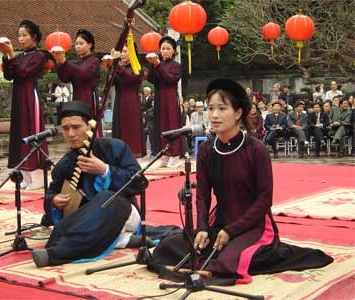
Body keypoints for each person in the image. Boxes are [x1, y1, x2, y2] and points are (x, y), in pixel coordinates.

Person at [150, 79, 333, 285]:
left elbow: (264, 200)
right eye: (211, 108)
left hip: (252, 225)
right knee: (168, 247)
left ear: (238, 113)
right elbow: (202, 194)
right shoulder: (206, 150)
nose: (214, 115)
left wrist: (232, 230)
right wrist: (202, 227)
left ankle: (265, 252)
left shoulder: (256, 150)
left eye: (222, 108)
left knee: (230, 260)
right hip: (219, 222)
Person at [33, 101, 151, 267]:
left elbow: (139, 183)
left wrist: (105, 170)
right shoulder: (65, 164)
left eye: (76, 127)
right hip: (88, 222)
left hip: (124, 212)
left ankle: (56, 254)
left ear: (89, 127)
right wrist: (54, 200)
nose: (71, 134)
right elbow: (51, 193)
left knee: (107, 198)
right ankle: (120, 240)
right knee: (70, 225)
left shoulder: (115, 147)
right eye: (65, 129)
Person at [0, 20, 48, 190]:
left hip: (29, 96)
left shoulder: (39, 56)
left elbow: (23, 73)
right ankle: (26, 175)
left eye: (24, 35)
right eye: (19, 35)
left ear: (34, 37)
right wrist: (6, 55)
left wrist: (11, 54)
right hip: (18, 97)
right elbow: (9, 75)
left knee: (31, 131)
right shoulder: (20, 56)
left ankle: (37, 177)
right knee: (19, 134)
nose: (20, 39)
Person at [146, 36, 182, 168]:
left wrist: (158, 65)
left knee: (172, 125)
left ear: (173, 51)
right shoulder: (158, 64)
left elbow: (170, 79)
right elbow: (150, 79)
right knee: (161, 125)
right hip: (159, 97)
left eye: (168, 48)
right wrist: (151, 64)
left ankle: (175, 154)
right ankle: (165, 154)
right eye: (163, 49)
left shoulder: (176, 66)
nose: (165, 51)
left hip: (170, 98)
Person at [106, 45, 146, 157]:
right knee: (119, 128)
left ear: (131, 52)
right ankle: (118, 153)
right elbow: (110, 83)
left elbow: (129, 79)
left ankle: (134, 152)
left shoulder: (137, 67)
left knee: (131, 128)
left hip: (131, 102)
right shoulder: (118, 67)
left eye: (124, 51)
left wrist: (116, 64)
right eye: (120, 52)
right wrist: (110, 67)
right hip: (119, 101)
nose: (121, 54)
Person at [52, 29, 100, 114]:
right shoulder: (75, 62)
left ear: (90, 45)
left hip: (89, 99)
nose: (78, 46)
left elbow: (84, 74)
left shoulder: (94, 60)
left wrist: (65, 62)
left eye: (81, 43)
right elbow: (64, 78)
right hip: (76, 99)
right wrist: (60, 63)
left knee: (88, 124)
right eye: (76, 44)